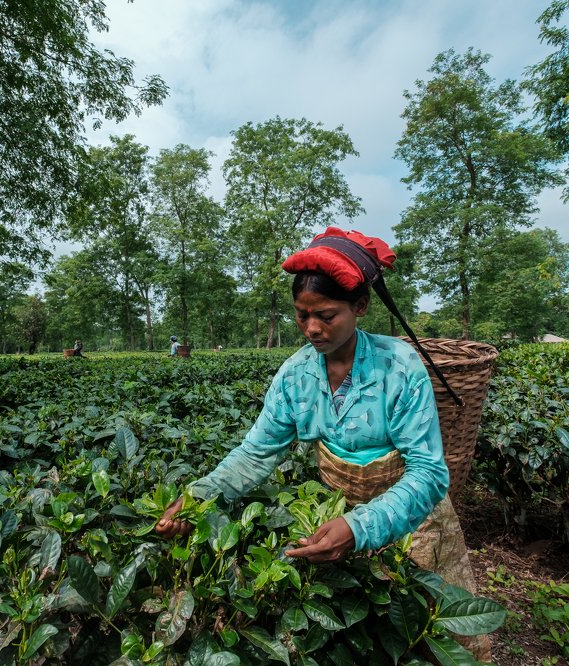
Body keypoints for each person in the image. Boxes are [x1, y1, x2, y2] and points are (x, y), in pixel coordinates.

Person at [154, 227, 490, 661]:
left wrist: (361, 527)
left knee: (427, 633)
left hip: (414, 525)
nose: (312, 328)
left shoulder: (400, 367)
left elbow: (428, 472)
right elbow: (257, 452)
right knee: (363, 640)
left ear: (360, 307)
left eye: (327, 315)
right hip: (333, 517)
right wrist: (199, 496)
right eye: (301, 315)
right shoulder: (295, 376)